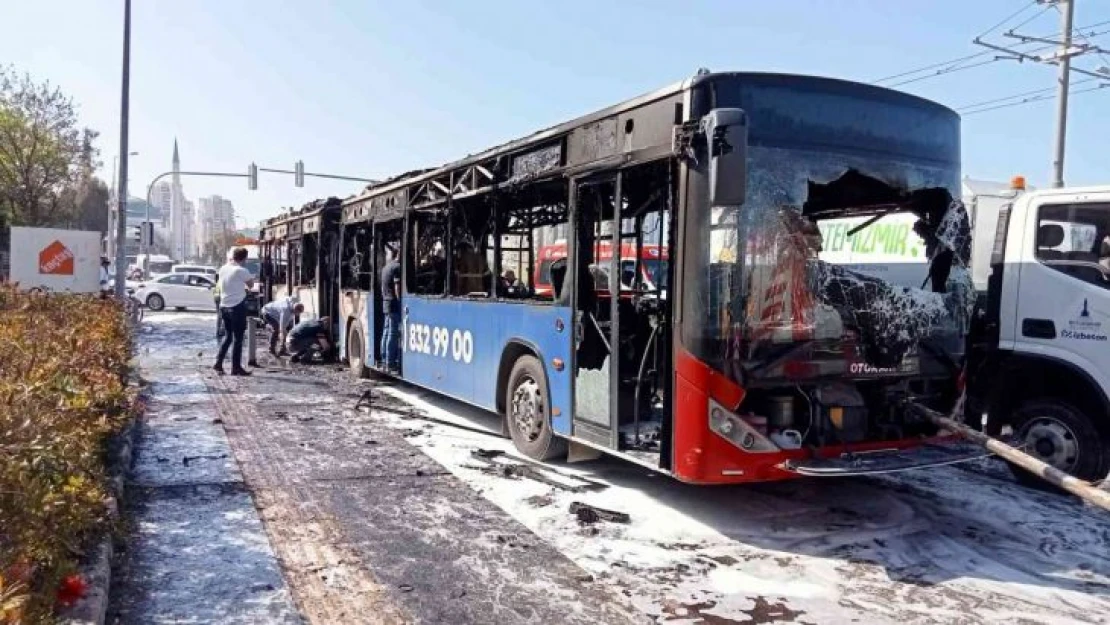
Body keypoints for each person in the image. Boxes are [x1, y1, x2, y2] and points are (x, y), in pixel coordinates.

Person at [213, 247, 255, 376]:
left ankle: (218, 363)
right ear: (244, 258)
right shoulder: (241, 270)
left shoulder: (223, 268)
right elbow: (251, 285)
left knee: (228, 336)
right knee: (238, 338)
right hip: (237, 306)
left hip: (224, 306)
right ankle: (236, 367)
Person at [380, 247, 402, 373]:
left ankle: (384, 360)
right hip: (393, 303)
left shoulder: (386, 267)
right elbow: (397, 287)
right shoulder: (397, 267)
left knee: (386, 331)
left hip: (386, 302)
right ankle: (390, 363)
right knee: (393, 334)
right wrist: (400, 300)